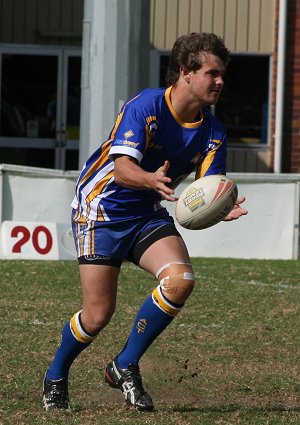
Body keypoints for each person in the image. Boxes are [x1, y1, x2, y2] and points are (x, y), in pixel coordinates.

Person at [42, 32, 248, 412]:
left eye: (222, 75)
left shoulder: (214, 134)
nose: (220, 81)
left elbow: (202, 195)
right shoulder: (146, 105)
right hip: (100, 210)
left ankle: (124, 364)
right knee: (97, 315)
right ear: (186, 72)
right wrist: (151, 179)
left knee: (180, 280)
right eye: (212, 73)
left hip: (146, 214)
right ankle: (56, 374)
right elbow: (122, 171)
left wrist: (220, 210)